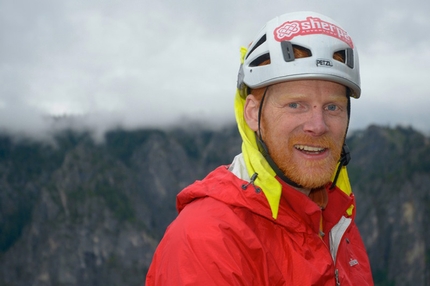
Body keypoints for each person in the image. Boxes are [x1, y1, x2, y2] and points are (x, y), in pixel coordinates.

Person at [146, 11, 374, 285]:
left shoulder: (337, 219)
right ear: (253, 114)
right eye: (295, 104)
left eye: (332, 107)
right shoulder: (208, 240)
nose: (318, 125)